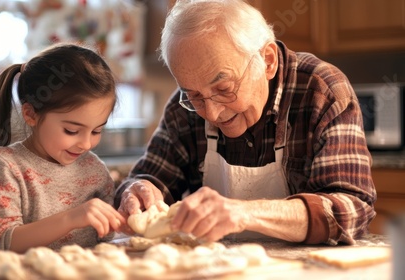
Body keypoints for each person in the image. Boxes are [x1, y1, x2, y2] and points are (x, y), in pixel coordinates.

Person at [115, 0, 376, 245]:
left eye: (224, 89)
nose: (212, 113)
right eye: (194, 96)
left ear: (268, 61)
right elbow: (149, 178)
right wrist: (138, 192)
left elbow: (352, 208)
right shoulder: (183, 106)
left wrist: (244, 213)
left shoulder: (321, 91)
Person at [0, 43, 125, 257]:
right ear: (31, 114)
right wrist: (71, 218)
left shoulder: (94, 170)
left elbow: (107, 239)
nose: (86, 144)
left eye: (96, 131)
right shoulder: (5, 166)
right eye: (72, 130)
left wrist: (126, 216)